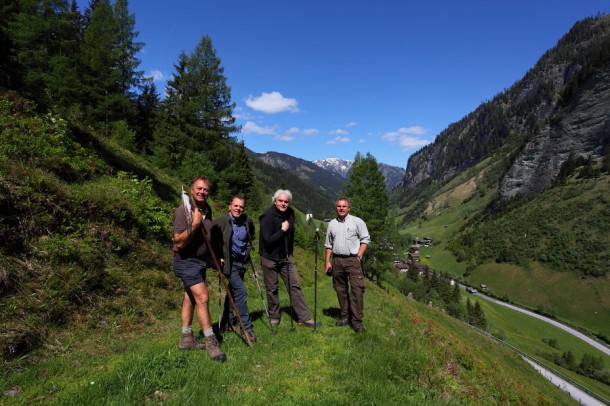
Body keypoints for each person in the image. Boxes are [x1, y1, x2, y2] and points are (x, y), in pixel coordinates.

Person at [172, 176, 226, 361]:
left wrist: (213, 257)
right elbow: (179, 242)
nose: (202, 192)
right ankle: (212, 342)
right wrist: (195, 223)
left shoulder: (206, 209)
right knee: (202, 297)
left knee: (190, 297)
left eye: (205, 190)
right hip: (185, 261)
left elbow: (206, 236)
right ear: (191, 189)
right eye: (199, 188)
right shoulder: (183, 211)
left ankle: (186, 338)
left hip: (200, 261)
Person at [259, 189, 319, 328]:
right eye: (280, 201)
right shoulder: (267, 216)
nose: (283, 204)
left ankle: (304, 318)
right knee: (272, 288)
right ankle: (274, 316)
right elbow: (267, 240)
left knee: (294, 286)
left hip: (286, 257)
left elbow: (291, 236)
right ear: (275, 201)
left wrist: (289, 252)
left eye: (286, 201)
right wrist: (282, 230)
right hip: (269, 258)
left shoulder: (291, 213)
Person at [211, 195, 257, 343]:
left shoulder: (247, 220)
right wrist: (218, 255)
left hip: (241, 263)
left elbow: (252, 235)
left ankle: (227, 323)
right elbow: (212, 240)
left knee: (232, 292)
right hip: (229, 265)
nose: (238, 209)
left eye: (241, 207)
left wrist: (248, 250)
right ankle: (247, 329)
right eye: (235, 206)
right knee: (241, 292)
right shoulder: (221, 222)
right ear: (230, 206)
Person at [324, 197, 370, 333]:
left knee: (357, 290)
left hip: (353, 260)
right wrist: (327, 261)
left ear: (348, 208)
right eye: (339, 206)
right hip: (337, 260)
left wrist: (359, 256)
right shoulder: (331, 224)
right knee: (340, 289)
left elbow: (365, 239)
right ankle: (345, 317)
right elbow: (328, 245)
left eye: (344, 206)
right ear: (336, 208)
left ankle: (356, 321)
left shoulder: (357, 222)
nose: (341, 208)